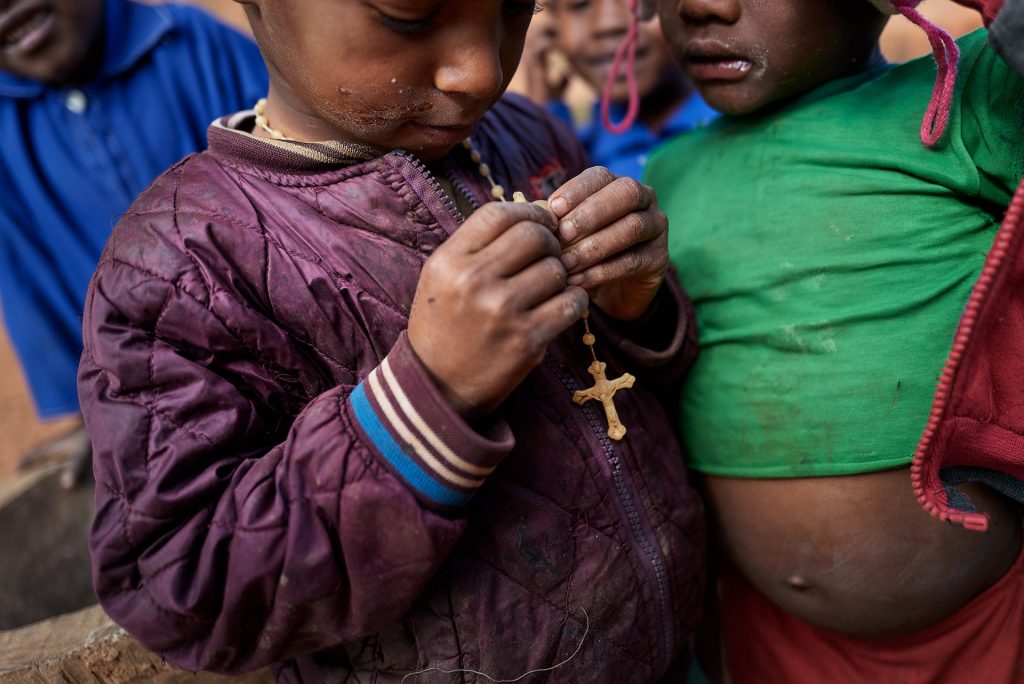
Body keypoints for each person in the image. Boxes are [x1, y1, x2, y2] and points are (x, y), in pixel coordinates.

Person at [77, 0, 706, 681]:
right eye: (408, 17)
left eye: (515, 9)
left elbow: (629, 397)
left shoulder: (526, 136)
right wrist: (426, 396)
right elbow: (184, 587)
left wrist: (637, 306)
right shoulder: (182, 265)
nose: (482, 70)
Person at [645, 0, 1024, 681]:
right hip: (767, 640)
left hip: (988, 628)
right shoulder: (665, 175)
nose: (703, 5)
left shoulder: (963, 97)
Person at [0, 0, 267, 486]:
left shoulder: (187, 40)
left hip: (279, 338)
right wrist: (92, 415)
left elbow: (296, 160)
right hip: (155, 395)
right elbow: (26, 278)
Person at [523, 0, 715, 181]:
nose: (609, 24)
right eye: (580, 4)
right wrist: (540, 115)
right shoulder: (572, 150)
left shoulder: (730, 122)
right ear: (553, 31)